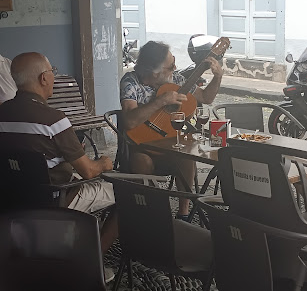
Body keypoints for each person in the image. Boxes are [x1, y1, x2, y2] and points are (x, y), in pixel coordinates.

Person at [0, 52, 117, 282]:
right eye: (52, 71)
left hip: (12, 199)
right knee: (123, 193)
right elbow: (89, 171)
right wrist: (104, 162)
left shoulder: (2, 113)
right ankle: (90, 265)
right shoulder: (54, 119)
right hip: (54, 198)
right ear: (44, 78)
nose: (54, 76)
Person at [120, 41, 223, 219]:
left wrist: (218, 77)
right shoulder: (131, 82)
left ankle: (183, 213)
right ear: (155, 72)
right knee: (141, 160)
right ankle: (153, 211)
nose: (175, 67)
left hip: (170, 145)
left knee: (187, 155)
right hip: (141, 145)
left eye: (174, 61)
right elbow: (129, 121)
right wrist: (161, 101)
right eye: (170, 66)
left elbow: (205, 97)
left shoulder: (176, 79)